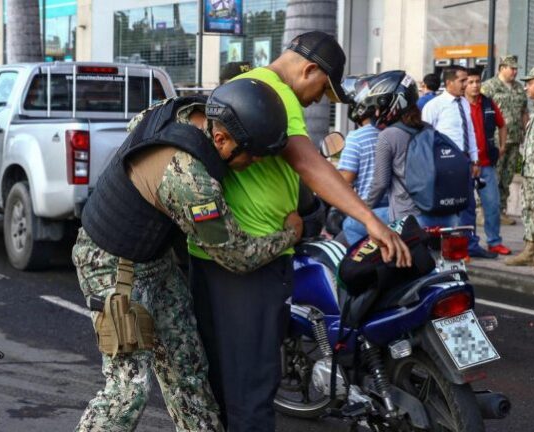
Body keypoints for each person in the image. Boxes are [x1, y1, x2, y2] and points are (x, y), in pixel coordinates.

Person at [189, 32, 412, 431]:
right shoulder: (277, 94)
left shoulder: (248, 84)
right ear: (309, 69)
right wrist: (370, 220)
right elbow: (311, 164)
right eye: (322, 90)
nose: (318, 100)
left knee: (226, 382)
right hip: (252, 263)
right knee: (253, 391)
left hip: (220, 257)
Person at [75, 79, 303, 431]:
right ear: (222, 139)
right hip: (111, 266)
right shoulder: (191, 183)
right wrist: (290, 233)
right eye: (253, 153)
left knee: (190, 372)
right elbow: (237, 255)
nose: (256, 162)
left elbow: (137, 127)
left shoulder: (183, 109)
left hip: (155, 257)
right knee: (128, 391)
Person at [364, 71, 460, 228]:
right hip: (446, 216)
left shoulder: (388, 136)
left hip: (408, 219)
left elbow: (380, 183)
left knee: (350, 224)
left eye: (379, 107)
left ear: (392, 105)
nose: (376, 112)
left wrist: (363, 209)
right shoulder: (430, 130)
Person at [423, 65, 496, 258]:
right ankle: (445, 248)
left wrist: (475, 160)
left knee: (468, 206)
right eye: (462, 80)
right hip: (444, 165)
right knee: (447, 207)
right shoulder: (434, 105)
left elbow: (470, 133)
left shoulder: (464, 103)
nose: (466, 84)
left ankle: (470, 245)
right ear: (449, 83)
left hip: (464, 163)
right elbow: (425, 138)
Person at [338, 74, 390, 245]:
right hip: (395, 209)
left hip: (369, 211)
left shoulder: (356, 138)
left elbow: (343, 182)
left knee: (342, 241)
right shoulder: (394, 134)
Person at [464, 68, 511, 255]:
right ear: (464, 84)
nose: (475, 85)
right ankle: (469, 244)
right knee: (466, 209)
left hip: (486, 164)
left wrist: (502, 146)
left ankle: (494, 241)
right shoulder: (458, 105)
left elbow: (502, 125)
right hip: (466, 166)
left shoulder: (488, 103)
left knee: (492, 204)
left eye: (477, 81)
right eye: (471, 82)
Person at [481, 55, 529, 225]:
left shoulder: (518, 88)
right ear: (502, 68)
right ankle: (484, 210)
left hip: (515, 139)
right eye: (512, 68)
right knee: (493, 175)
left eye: (516, 68)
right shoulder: (489, 87)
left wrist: (527, 133)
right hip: (495, 139)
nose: (515, 71)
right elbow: (480, 111)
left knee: (507, 177)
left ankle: (500, 210)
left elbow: (524, 112)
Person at [504, 66, 534, 268]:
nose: (526, 88)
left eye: (531, 83)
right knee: (530, 211)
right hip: (531, 172)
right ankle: (531, 250)